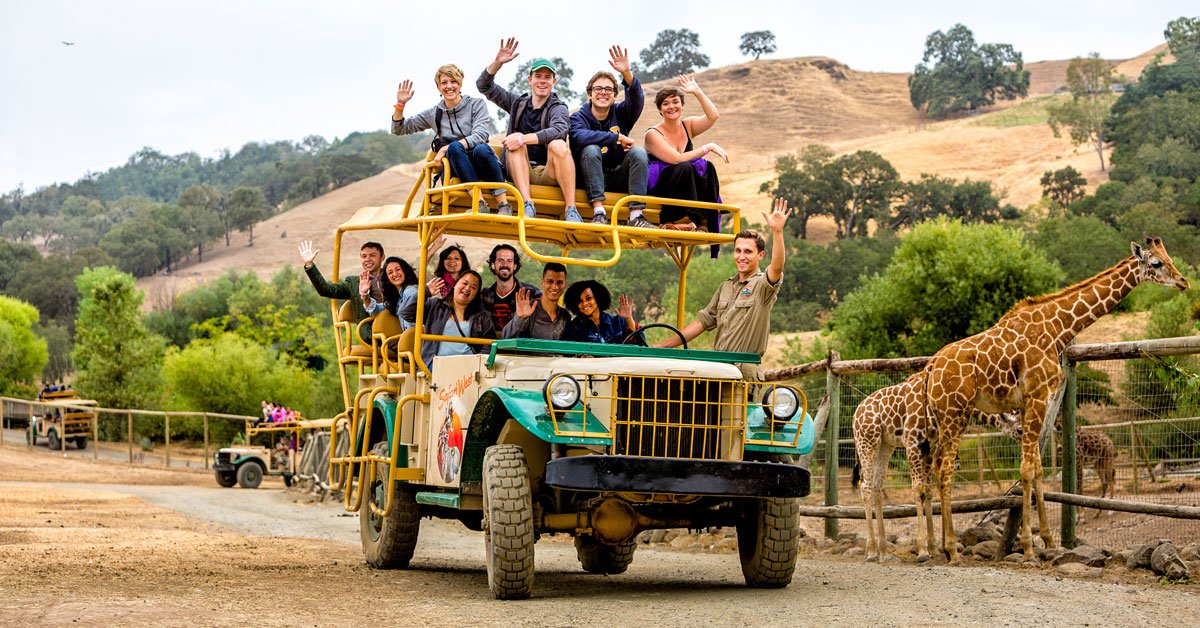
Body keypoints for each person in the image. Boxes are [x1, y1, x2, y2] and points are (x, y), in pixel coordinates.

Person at [657, 199, 792, 381]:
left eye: (748, 252)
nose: (741, 257)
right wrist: (661, 347)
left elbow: (776, 267)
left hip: (743, 372)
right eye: (738, 251)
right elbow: (701, 323)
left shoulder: (762, 286)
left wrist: (777, 232)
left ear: (760, 255)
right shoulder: (726, 286)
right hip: (719, 368)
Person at [477, 37, 579, 222]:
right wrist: (498, 63)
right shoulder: (517, 103)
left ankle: (571, 209)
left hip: (548, 172)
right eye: (538, 76)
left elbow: (560, 130)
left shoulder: (558, 107)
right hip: (518, 169)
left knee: (557, 144)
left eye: (547, 77)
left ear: (554, 81)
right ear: (530, 79)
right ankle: (527, 203)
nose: (542, 81)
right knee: (515, 138)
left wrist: (524, 139)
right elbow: (483, 85)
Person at [392, 64, 511, 215]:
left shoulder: (476, 105)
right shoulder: (434, 113)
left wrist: (445, 148)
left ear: (460, 83)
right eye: (444, 83)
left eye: (453, 81)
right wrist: (400, 105)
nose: (449, 86)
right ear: (438, 87)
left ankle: (504, 205)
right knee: (454, 148)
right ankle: (479, 203)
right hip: (456, 166)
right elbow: (399, 129)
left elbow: (481, 135)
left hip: (482, 163)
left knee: (481, 148)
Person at [644, 74, 728, 250]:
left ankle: (704, 224)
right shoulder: (652, 134)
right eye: (666, 104)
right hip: (662, 185)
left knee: (708, 167)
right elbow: (676, 159)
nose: (671, 107)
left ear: (682, 106)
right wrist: (708, 147)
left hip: (685, 180)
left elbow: (713, 116)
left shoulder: (687, 125)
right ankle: (671, 219)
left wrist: (697, 92)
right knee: (684, 167)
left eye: (675, 102)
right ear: (660, 110)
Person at [568, 45, 648, 227]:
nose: (603, 92)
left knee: (639, 153)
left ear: (614, 95)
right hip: (587, 181)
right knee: (590, 149)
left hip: (617, 176)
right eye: (598, 89)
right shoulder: (577, 118)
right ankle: (599, 213)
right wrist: (617, 138)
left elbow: (636, 99)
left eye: (609, 89)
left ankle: (636, 216)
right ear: (589, 94)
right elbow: (579, 137)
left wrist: (627, 73)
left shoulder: (622, 113)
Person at [402, 270, 496, 366]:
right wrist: (425, 292)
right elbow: (406, 313)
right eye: (465, 283)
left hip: (468, 369)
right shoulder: (435, 306)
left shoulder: (482, 317)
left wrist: (477, 364)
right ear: (455, 284)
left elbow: (489, 344)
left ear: (476, 294)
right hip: (436, 366)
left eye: (473, 287)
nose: (467, 288)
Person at [299, 240, 384, 343]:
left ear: (382, 257)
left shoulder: (392, 277)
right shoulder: (354, 283)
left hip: (397, 326)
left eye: (372, 255)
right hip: (373, 333)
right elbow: (326, 290)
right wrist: (309, 265)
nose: (368, 259)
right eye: (364, 256)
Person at [479, 244, 541, 333]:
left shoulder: (532, 293)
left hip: (519, 346)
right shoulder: (483, 295)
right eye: (500, 260)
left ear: (515, 266)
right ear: (493, 265)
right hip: (489, 345)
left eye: (509, 261)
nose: (505, 265)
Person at [503, 262, 570, 340]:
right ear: (543, 283)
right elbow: (505, 336)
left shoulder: (565, 316)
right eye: (550, 282)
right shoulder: (529, 308)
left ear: (565, 285)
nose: (555, 287)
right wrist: (520, 318)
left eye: (559, 282)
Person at [563, 280, 640, 345]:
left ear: (598, 298)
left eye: (588, 298)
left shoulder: (618, 322)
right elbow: (568, 355)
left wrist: (629, 319)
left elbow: (640, 344)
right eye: (580, 301)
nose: (585, 303)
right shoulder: (573, 328)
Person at [362, 256, 420, 331]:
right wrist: (365, 294)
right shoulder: (398, 298)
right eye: (390, 272)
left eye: (398, 269)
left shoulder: (410, 291)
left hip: (419, 340)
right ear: (387, 278)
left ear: (405, 270)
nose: (395, 274)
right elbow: (376, 310)